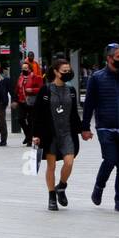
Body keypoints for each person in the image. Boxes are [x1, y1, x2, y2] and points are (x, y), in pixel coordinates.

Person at [81, 43, 119, 213]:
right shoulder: (97, 78)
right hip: (105, 127)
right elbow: (89, 105)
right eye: (118, 57)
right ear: (109, 58)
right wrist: (85, 127)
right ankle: (99, 187)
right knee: (110, 160)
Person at [31, 57, 84, 211]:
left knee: (69, 162)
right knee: (51, 166)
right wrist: (34, 134)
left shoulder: (71, 91)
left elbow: (74, 114)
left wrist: (83, 130)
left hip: (67, 133)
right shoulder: (46, 90)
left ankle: (61, 186)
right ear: (55, 72)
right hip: (50, 134)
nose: (68, 73)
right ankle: (52, 195)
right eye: (64, 71)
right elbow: (36, 114)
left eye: (69, 71)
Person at [16, 59, 44, 146]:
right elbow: (17, 89)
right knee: (20, 119)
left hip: (32, 103)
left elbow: (41, 89)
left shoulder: (36, 78)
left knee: (31, 121)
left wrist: (32, 90)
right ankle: (28, 135)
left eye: (25, 68)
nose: (23, 70)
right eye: (23, 68)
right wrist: (15, 100)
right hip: (22, 102)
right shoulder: (20, 78)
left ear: (30, 69)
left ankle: (29, 140)